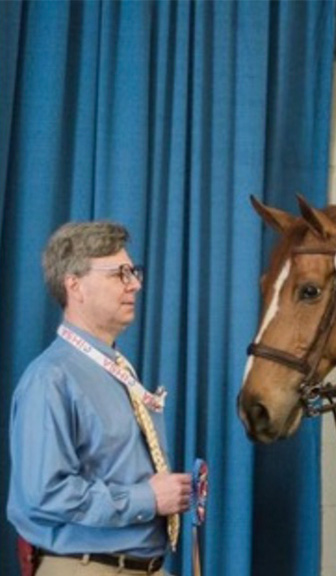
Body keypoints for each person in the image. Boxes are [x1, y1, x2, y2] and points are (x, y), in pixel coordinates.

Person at [7, 222, 190, 576]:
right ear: (74, 286)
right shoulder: (50, 378)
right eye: (119, 274)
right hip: (87, 568)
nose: (135, 284)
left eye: (133, 272)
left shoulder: (114, 369)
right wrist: (148, 499)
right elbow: (46, 493)